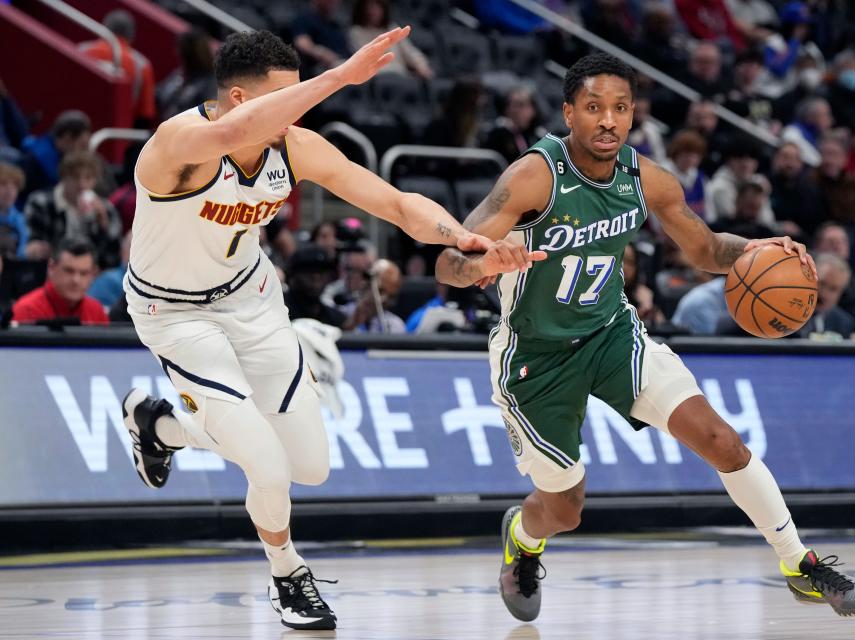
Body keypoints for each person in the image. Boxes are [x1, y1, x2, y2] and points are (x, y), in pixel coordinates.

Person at [117, 29, 539, 632]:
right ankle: (289, 575)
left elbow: (394, 203)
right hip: (177, 314)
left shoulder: (293, 147)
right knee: (263, 463)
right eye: (285, 98)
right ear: (240, 98)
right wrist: (338, 75)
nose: (299, 111)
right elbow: (232, 135)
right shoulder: (178, 144)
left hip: (252, 300)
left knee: (307, 465)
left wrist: (463, 239)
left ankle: (156, 424)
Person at [434, 52, 855, 623]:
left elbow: (706, 250)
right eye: (594, 108)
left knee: (722, 440)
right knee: (564, 510)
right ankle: (522, 536)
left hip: (612, 334)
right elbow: (448, 261)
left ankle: (800, 566)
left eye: (620, 108)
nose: (609, 121)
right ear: (569, 113)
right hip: (535, 356)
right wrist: (482, 262)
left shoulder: (645, 179)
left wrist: (763, 249)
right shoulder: (533, 176)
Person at [23, 150, 123, 268]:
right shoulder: (41, 203)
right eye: (75, 177)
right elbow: (33, 243)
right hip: (51, 268)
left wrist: (103, 223)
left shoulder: (105, 208)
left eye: (88, 178)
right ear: (63, 177)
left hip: (91, 273)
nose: (82, 184)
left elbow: (113, 254)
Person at [79, 9, 156, 126]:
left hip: (79, 123)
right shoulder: (142, 65)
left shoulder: (81, 51)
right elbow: (145, 114)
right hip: (119, 131)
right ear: (132, 34)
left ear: (104, 28)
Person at [11, 238, 108, 325]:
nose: (76, 280)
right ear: (51, 268)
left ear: (93, 274)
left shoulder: (97, 312)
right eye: (69, 271)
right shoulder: (26, 311)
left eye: (84, 273)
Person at [349, 0, 433, 79]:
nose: (372, 11)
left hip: (400, 77)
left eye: (376, 6)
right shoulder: (356, 32)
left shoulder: (392, 28)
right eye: (368, 7)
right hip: (376, 77)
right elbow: (365, 61)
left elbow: (410, 52)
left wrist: (422, 67)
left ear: (383, 8)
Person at [0, 161, 28, 257]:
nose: (9, 191)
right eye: (3, 184)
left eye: (14, 186)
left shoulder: (21, 220)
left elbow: (22, 255)